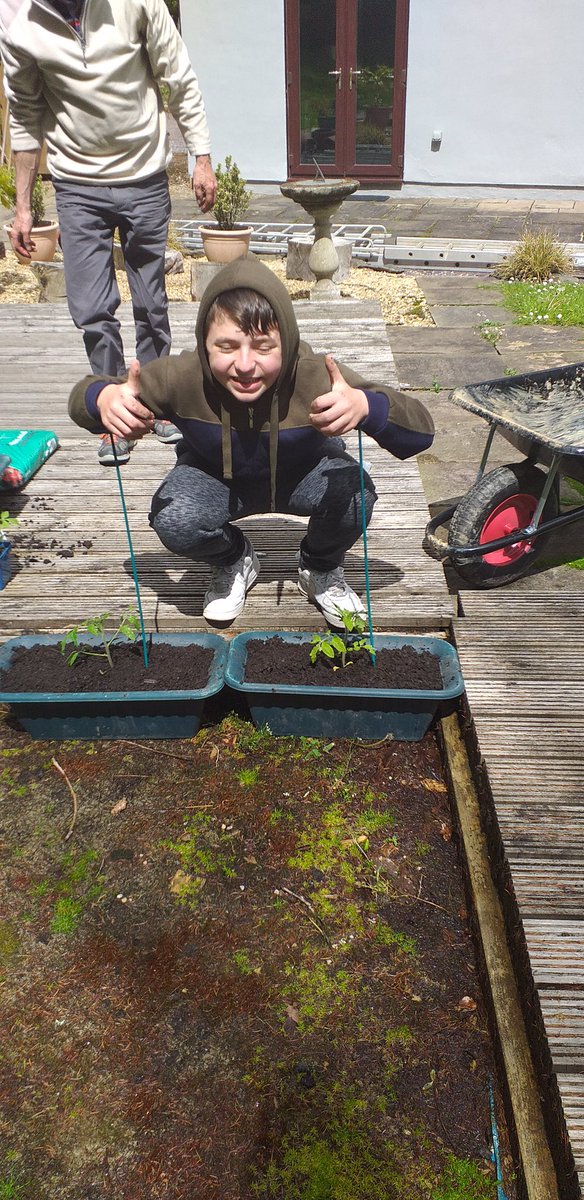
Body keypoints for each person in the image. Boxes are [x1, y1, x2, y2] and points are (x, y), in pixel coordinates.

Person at [68, 257, 435, 627]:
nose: (244, 365)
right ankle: (234, 559)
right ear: (204, 344)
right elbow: (83, 398)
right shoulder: (179, 377)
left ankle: (320, 566)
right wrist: (103, 399)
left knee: (356, 493)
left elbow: (421, 432)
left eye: (263, 346)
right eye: (226, 346)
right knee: (175, 519)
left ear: (286, 343)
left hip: (303, 473)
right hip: (214, 477)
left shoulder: (315, 375)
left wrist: (367, 406)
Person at [0, 0, 216, 465]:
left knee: (151, 302)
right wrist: (23, 208)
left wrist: (201, 157)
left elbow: (178, 76)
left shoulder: (136, 3)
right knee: (91, 310)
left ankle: (155, 399)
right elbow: (24, 115)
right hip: (75, 185)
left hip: (144, 176)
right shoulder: (19, 23)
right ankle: (115, 411)